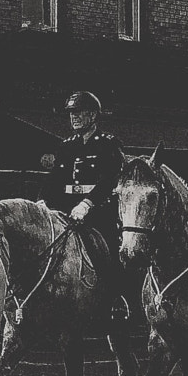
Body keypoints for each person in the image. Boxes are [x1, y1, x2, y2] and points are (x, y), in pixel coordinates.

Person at [44, 89, 125, 291]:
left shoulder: (107, 144)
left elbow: (109, 180)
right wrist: (42, 202)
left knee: (110, 253)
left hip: (98, 213)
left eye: (79, 112)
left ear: (93, 115)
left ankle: (116, 298)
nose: (74, 117)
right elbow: (54, 180)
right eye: (72, 113)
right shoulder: (66, 146)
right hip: (65, 211)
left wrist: (87, 204)